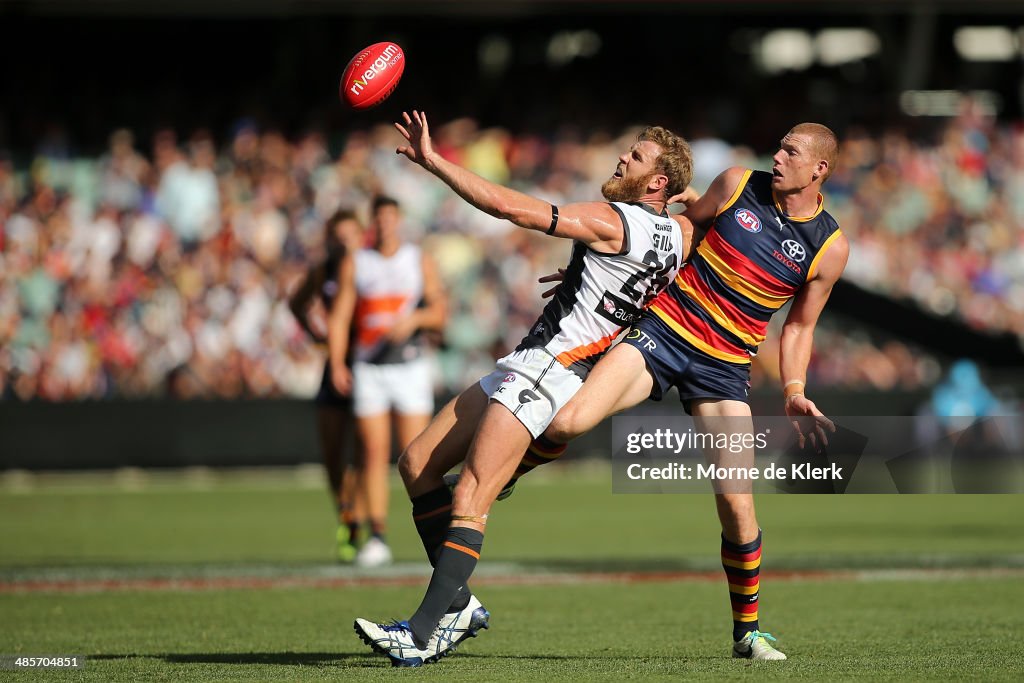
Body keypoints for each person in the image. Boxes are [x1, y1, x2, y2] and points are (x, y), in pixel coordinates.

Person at [498, 123, 849, 661]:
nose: (776, 156)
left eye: (790, 152)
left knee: (737, 505)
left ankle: (747, 634)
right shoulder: (735, 183)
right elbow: (677, 234)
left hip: (725, 369)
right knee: (567, 422)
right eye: (778, 147)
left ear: (819, 169)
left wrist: (794, 388)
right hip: (662, 331)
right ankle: (505, 477)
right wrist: (591, 270)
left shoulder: (829, 246)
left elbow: (799, 328)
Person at [354, 110, 692, 666]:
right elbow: (693, 210)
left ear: (657, 182)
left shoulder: (617, 221)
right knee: (417, 463)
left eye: (634, 157)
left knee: (471, 496)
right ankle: (456, 605)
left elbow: (514, 209)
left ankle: (419, 633)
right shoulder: (681, 233)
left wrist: (435, 162)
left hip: (550, 370)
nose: (621, 158)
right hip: (533, 362)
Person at [345, 195, 448, 567]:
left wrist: (415, 321)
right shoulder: (358, 261)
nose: (385, 223)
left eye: (391, 217)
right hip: (369, 366)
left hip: (408, 365)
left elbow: (439, 312)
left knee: (416, 456)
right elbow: (342, 314)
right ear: (372, 222)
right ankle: (376, 534)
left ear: (398, 220)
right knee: (372, 453)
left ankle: (436, 533)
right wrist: (338, 362)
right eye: (379, 217)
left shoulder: (416, 259)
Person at [288, 209, 365, 562]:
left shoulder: (371, 268)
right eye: (339, 236)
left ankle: (360, 517)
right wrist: (319, 335)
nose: (345, 242)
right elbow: (297, 302)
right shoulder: (324, 272)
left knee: (364, 451)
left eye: (351, 235)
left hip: (367, 365)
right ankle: (346, 514)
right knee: (333, 452)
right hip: (335, 366)